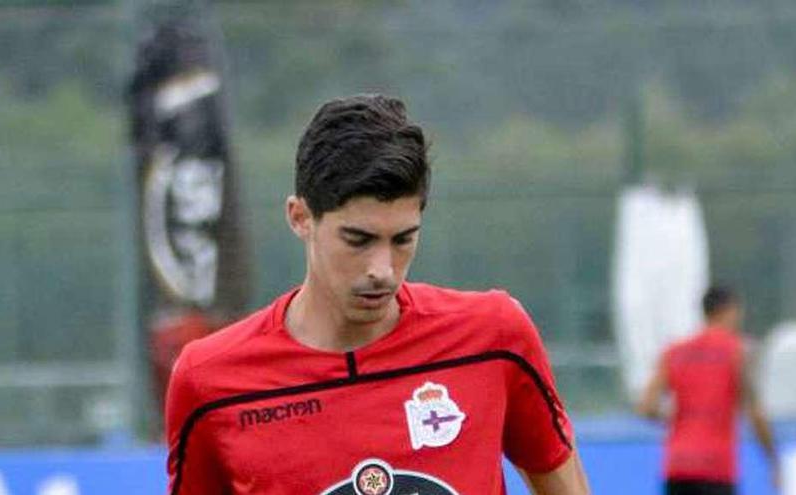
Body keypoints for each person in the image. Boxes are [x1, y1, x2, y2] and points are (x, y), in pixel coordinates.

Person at [165, 94, 590, 495]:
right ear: (300, 218)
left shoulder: (494, 336)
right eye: (358, 239)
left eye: (403, 239)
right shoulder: (210, 381)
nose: (382, 270)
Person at [637, 286, 780, 495]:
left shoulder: (674, 352)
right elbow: (754, 411)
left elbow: (646, 407)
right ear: (730, 311)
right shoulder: (738, 351)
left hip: (678, 466)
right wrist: (772, 458)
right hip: (717, 467)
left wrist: (678, 419)